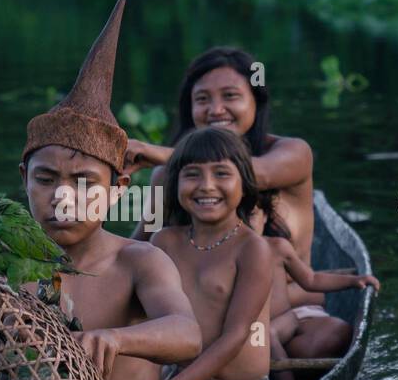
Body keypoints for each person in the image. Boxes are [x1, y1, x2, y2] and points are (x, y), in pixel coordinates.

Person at [19, 0, 201, 380]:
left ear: (118, 189)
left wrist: (116, 338)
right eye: (46, 179)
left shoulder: (138, 261)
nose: (63, 197)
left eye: (84, 182)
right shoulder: (0, 264)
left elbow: (187, 335)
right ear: (24, 179)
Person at [126, 47, 320, 310]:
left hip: (287, 308)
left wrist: (154, 151)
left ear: (256, 100)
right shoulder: (166, 175)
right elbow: (141, 243)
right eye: (203, 99)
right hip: (201, 310)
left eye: (230, 96)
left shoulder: (293, 153)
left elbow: (255, 173)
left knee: (322, 340)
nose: (216, 110)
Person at [145, 127, 274, 380]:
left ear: (244, 183)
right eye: (192, 174)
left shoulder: (252, 249)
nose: (206, 185)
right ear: (175, 184)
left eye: (221, 173)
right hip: (174, 376)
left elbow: (235, 335)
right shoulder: (164, 242)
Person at [249, 200, 381, 370]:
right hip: (254, 325)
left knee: (265, 335)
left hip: (282, 320)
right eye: (238, 216)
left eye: (251, 215)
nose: (245, 222)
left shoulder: (277, 248)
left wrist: (354, 281)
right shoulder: (228, 251)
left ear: (265, 216)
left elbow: (311, 280)